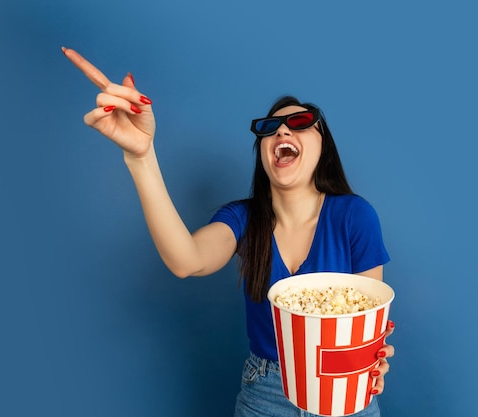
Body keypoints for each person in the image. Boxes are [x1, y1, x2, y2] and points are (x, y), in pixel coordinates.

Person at [62, 47, 395, 417]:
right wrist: (142, 157)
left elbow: (369, 318)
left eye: (301, 122)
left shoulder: (356, 216)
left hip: (342, 387)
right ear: (264, 151)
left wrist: (373, 356)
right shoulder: (242, 220)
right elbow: (186, 260)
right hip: (266, 391)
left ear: (323, 146)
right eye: (270, 128)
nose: (282, 129)